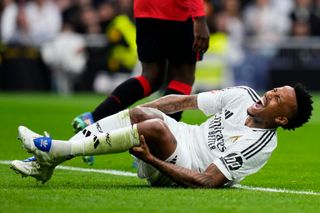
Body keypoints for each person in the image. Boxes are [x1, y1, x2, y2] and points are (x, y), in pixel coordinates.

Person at [10, 84, 313, 188]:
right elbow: (182, 102)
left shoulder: (259, 145)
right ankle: (51, 159)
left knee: (154, 127)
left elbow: (207, 181)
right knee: (145, 115)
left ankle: (56, 151)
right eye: (273, 90)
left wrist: (153, 159)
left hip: (188, 166)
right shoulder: (243, 95)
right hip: (185, 134)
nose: (268, 95)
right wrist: (138, 110)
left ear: (282, 119)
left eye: (276, 100)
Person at [71, 0, 209, 165]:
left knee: (150, 78)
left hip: (145, 10)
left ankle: (93, 118)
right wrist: (200, 19)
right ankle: (154, 145)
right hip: (178, 12)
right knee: (182, 79)